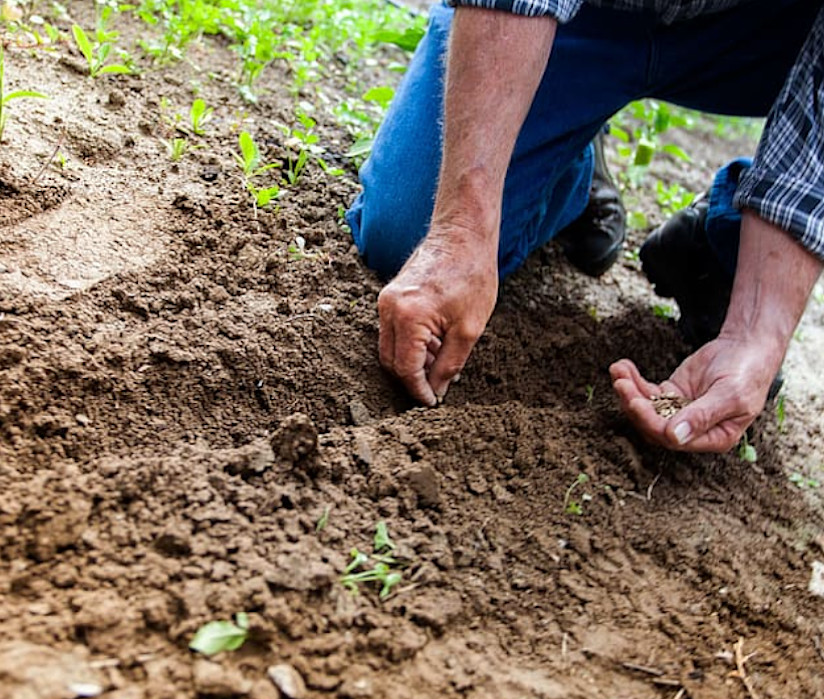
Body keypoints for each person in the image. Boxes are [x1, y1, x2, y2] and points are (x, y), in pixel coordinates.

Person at [346, 0, 824, 453]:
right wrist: (461, 230)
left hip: (765, 32)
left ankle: (727, 242)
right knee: (407, 232)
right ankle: (569, 154)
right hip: (585, 15)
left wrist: (755, 334)